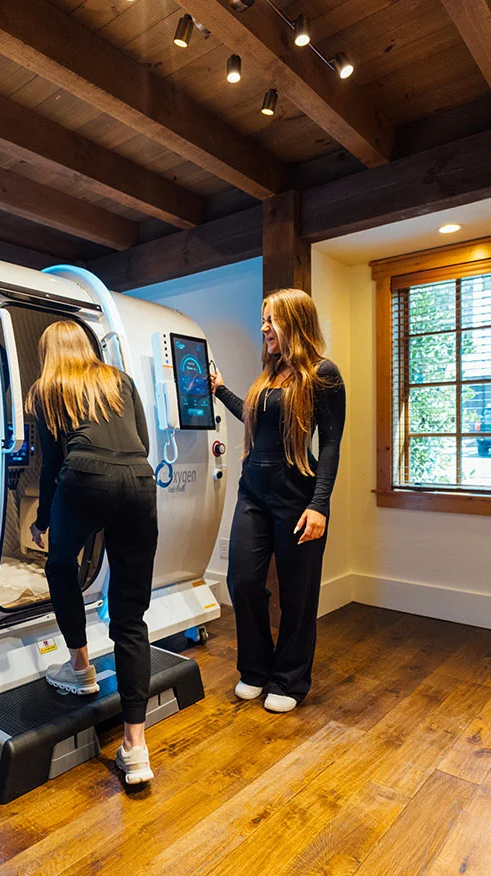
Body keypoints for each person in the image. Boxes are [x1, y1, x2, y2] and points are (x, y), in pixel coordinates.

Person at [26, 319, 157, 784]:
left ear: (49, 353)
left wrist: (43, 521)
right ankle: (135, 747)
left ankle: (80, 667)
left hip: (84, 478)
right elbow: (141, 440)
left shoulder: (48, 387)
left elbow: (51, 465)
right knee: (129, 615)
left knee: (60, 565)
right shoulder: (118, 379)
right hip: (140, 481)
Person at [210, 289, 345, 713]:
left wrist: (320, 504)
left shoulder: (323, 374)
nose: (264, 328)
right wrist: (221, 390)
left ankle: (289, 679)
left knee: (297, 594)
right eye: (263, 319)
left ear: (296, 322)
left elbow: (330, 446)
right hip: (253, 492)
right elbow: (254, 419)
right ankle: (256, 669)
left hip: (297, 494)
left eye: (272, 320)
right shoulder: (270, 375)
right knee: (244, 582)